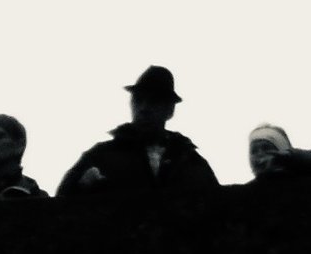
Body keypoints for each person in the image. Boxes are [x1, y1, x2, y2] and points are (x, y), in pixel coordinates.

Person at [57, 66, 219, 198]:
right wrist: (81, 186)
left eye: (153, 101)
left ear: (170, 110)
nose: (143, 108)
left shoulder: (192, 163)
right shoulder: (100, 157)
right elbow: (58, 209)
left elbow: (219, 214)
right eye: (138, 100)